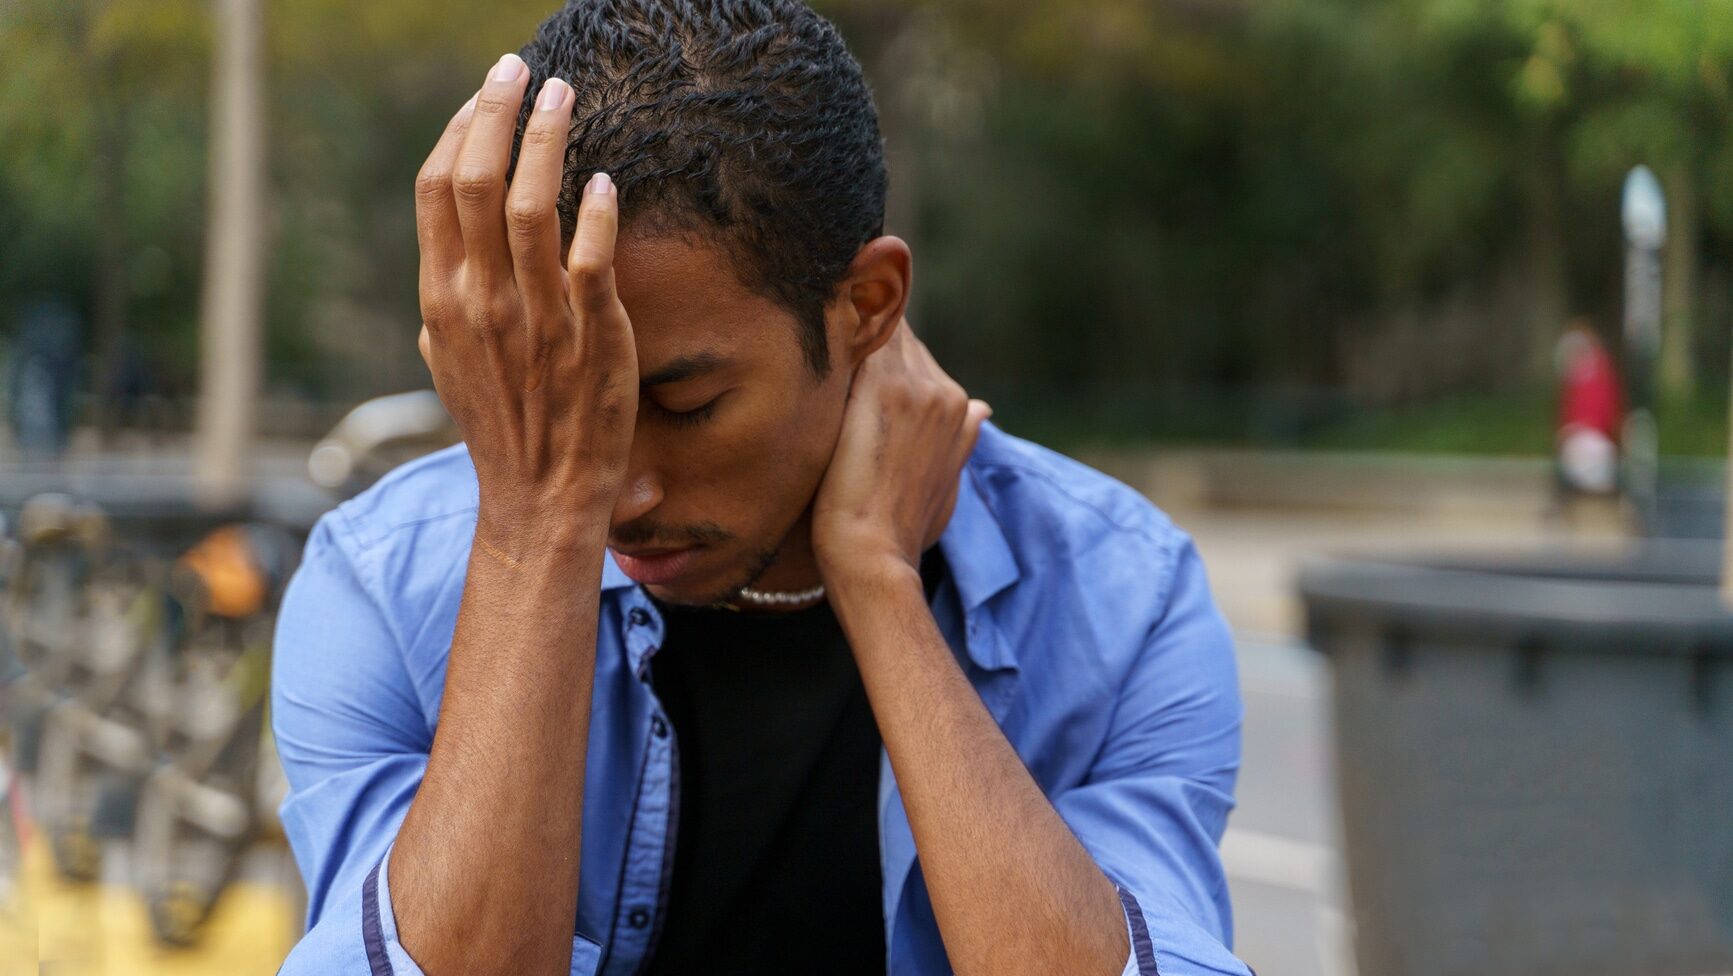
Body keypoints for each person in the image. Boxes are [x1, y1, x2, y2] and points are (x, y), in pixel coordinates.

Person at [272, 2, 1248, 974]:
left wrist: (879, 585)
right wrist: (535, 530)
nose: (619, 490)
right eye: (570, 395)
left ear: (864, 306)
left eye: (685, 402)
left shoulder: (1119, 596)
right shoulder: (384, 584)